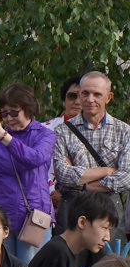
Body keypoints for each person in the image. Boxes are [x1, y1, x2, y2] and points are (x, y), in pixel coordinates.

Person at [0, 84, 55, 262]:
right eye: (4, 113)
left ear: (28, 110)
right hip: (1, 212)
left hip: (33, 213)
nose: (9, 118)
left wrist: (3, 137)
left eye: (14, 112)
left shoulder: (44, 134)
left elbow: (34, 159)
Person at [51, 70, 130, 205]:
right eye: (85, 93)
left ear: (109, 97)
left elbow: (126, 177)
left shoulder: (124, 131)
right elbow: (63, 174)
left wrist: (84, 185)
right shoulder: (62, 131)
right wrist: (107, 171)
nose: (90, 99)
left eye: (97, 94)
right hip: (72, 206)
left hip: (109, 208)